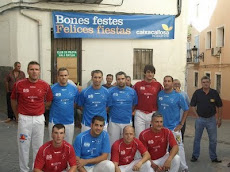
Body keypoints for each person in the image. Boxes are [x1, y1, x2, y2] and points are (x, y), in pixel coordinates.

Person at [11, 61, 53, 172]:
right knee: (23, 146)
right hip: (24, 119)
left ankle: (37, 169)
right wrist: (17, 116)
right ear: (28, 71)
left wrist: (38, 107)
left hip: (39, 119)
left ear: (39, 71)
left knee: (38, 147)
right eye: (32, 69)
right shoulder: (19, 84)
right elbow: (13, 100)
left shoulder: (45, 85)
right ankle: (24, 169)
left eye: (36, 69)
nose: (34, 72)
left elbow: (49, 101)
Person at [157, 75, 189, 172]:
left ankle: (184, 168)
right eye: (165, 81)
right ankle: (164, 167)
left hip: (174, 128)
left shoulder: (178, 95)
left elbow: (186, 109)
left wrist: (181, 124)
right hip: (161, 128)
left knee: (179, 147)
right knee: (163, 149)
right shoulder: (159, 94)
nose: (166, 83)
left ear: (172, 83)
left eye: (168, 81)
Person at [190, 76, 223, 163]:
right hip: (200, 119)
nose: (205, 83)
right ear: (201, 83)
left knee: (213, 140)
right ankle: (195, 156)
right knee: (197, 139)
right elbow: (192, 105)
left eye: (207, 82)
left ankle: (213, 157)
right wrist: (197, 116)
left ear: (210, 82)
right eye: (204, 82)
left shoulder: (214, 93)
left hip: (211, 120)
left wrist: (219, 118)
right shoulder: (197, 93)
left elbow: (220, 105)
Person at [49, 67, 79, 144]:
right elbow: (48, 104)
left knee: (67, 145)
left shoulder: (74, 89)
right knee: (54, 144)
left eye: (65, 75)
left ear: (68, 76)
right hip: (55, 122)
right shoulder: (52, 88)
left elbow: (75, 104)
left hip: (69, 121)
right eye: (61, 75)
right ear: (58, 76)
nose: (63, 77)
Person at [108, 71, 138, 146]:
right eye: (118, 79)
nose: (121, 80)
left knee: (126, 144)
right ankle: (112, 158)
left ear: (125, 79)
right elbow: (107, 106)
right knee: (113, 144)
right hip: (114, 122)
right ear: (116, 80)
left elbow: (134, 105)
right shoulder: (110, 91)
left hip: (127, 121)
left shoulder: (132, 92)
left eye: (122, 78)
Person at [133, 64, 163, 138]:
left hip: (152, 114)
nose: (150, 74)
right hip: (140, 114)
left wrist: (176, 90)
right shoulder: (137, 85)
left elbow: (165, 93)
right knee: (139, 136)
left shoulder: (158, 85)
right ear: (144, 73)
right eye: (148, 72)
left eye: (152, 72)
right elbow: (131, 96)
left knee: (150, 136)